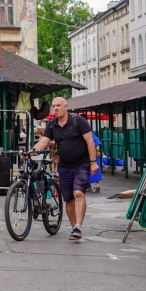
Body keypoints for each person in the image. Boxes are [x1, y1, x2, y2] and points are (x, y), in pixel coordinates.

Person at [31, 97, 98, 241]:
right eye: (54, 106)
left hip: (82, 164)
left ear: (65, 106)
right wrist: (31, 151)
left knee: (78, 193)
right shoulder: (51, 125)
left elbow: (90, 141)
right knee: (68, 199)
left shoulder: (78, 121)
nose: (55, 108)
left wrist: (93, 162)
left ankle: (78, 226)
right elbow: (44, 142)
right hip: (64, 166)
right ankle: (75, 229)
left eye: (58, 105)